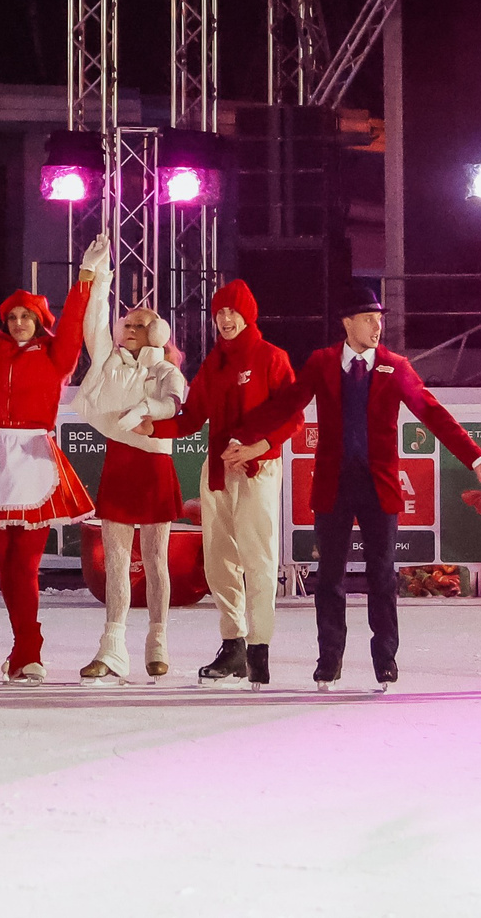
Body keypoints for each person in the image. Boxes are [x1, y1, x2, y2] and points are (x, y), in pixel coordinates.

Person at [206, 281, 481, 692]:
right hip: (334, 484)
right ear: (347, 323)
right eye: (368, 319)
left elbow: (432, 412)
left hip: (380, 487)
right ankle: (329, 662)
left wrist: (476, 457)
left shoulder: (395, 366)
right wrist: (244, 436)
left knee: (382, 575)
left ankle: (385, 660)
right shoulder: (322, 362)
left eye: (379, 320)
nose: (377, 327)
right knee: (329, 578)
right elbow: (286, 404)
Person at [0, 228, 102, 685]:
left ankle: (29, 648)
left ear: (38, 320)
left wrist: (86, 275)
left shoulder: (57, 355)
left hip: (33, 457)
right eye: (12, 317)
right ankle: (23, 646)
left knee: (26, 563)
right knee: (4, 562)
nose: (17, 323)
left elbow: (73, 322)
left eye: (25, 316)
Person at [133, 278, 299, 689]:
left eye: (232, 311)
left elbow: (293, 417)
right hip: (219, 471)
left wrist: (258, 447)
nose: (225, 319)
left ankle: (259, 647)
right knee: (219, 560)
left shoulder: (271, 357)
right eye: (219, 312)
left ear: (248, 314)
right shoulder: (215, 363)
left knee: (258, 561)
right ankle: (234, 645)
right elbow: (192, 418)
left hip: (257, 469)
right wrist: (155, 427)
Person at [76, 289, 189, 684]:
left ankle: (158, 641)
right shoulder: (109, 364)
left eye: (141, 325)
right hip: (120, 464)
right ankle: (112, 647)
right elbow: (92, 327)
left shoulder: (166, 370)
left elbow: (175, 403)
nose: (131, 329)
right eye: (127, 323)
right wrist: (98, 277)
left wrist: (146, 411)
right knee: (117, 561)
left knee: (156, 559)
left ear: (158, 332)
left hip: (154, 464)